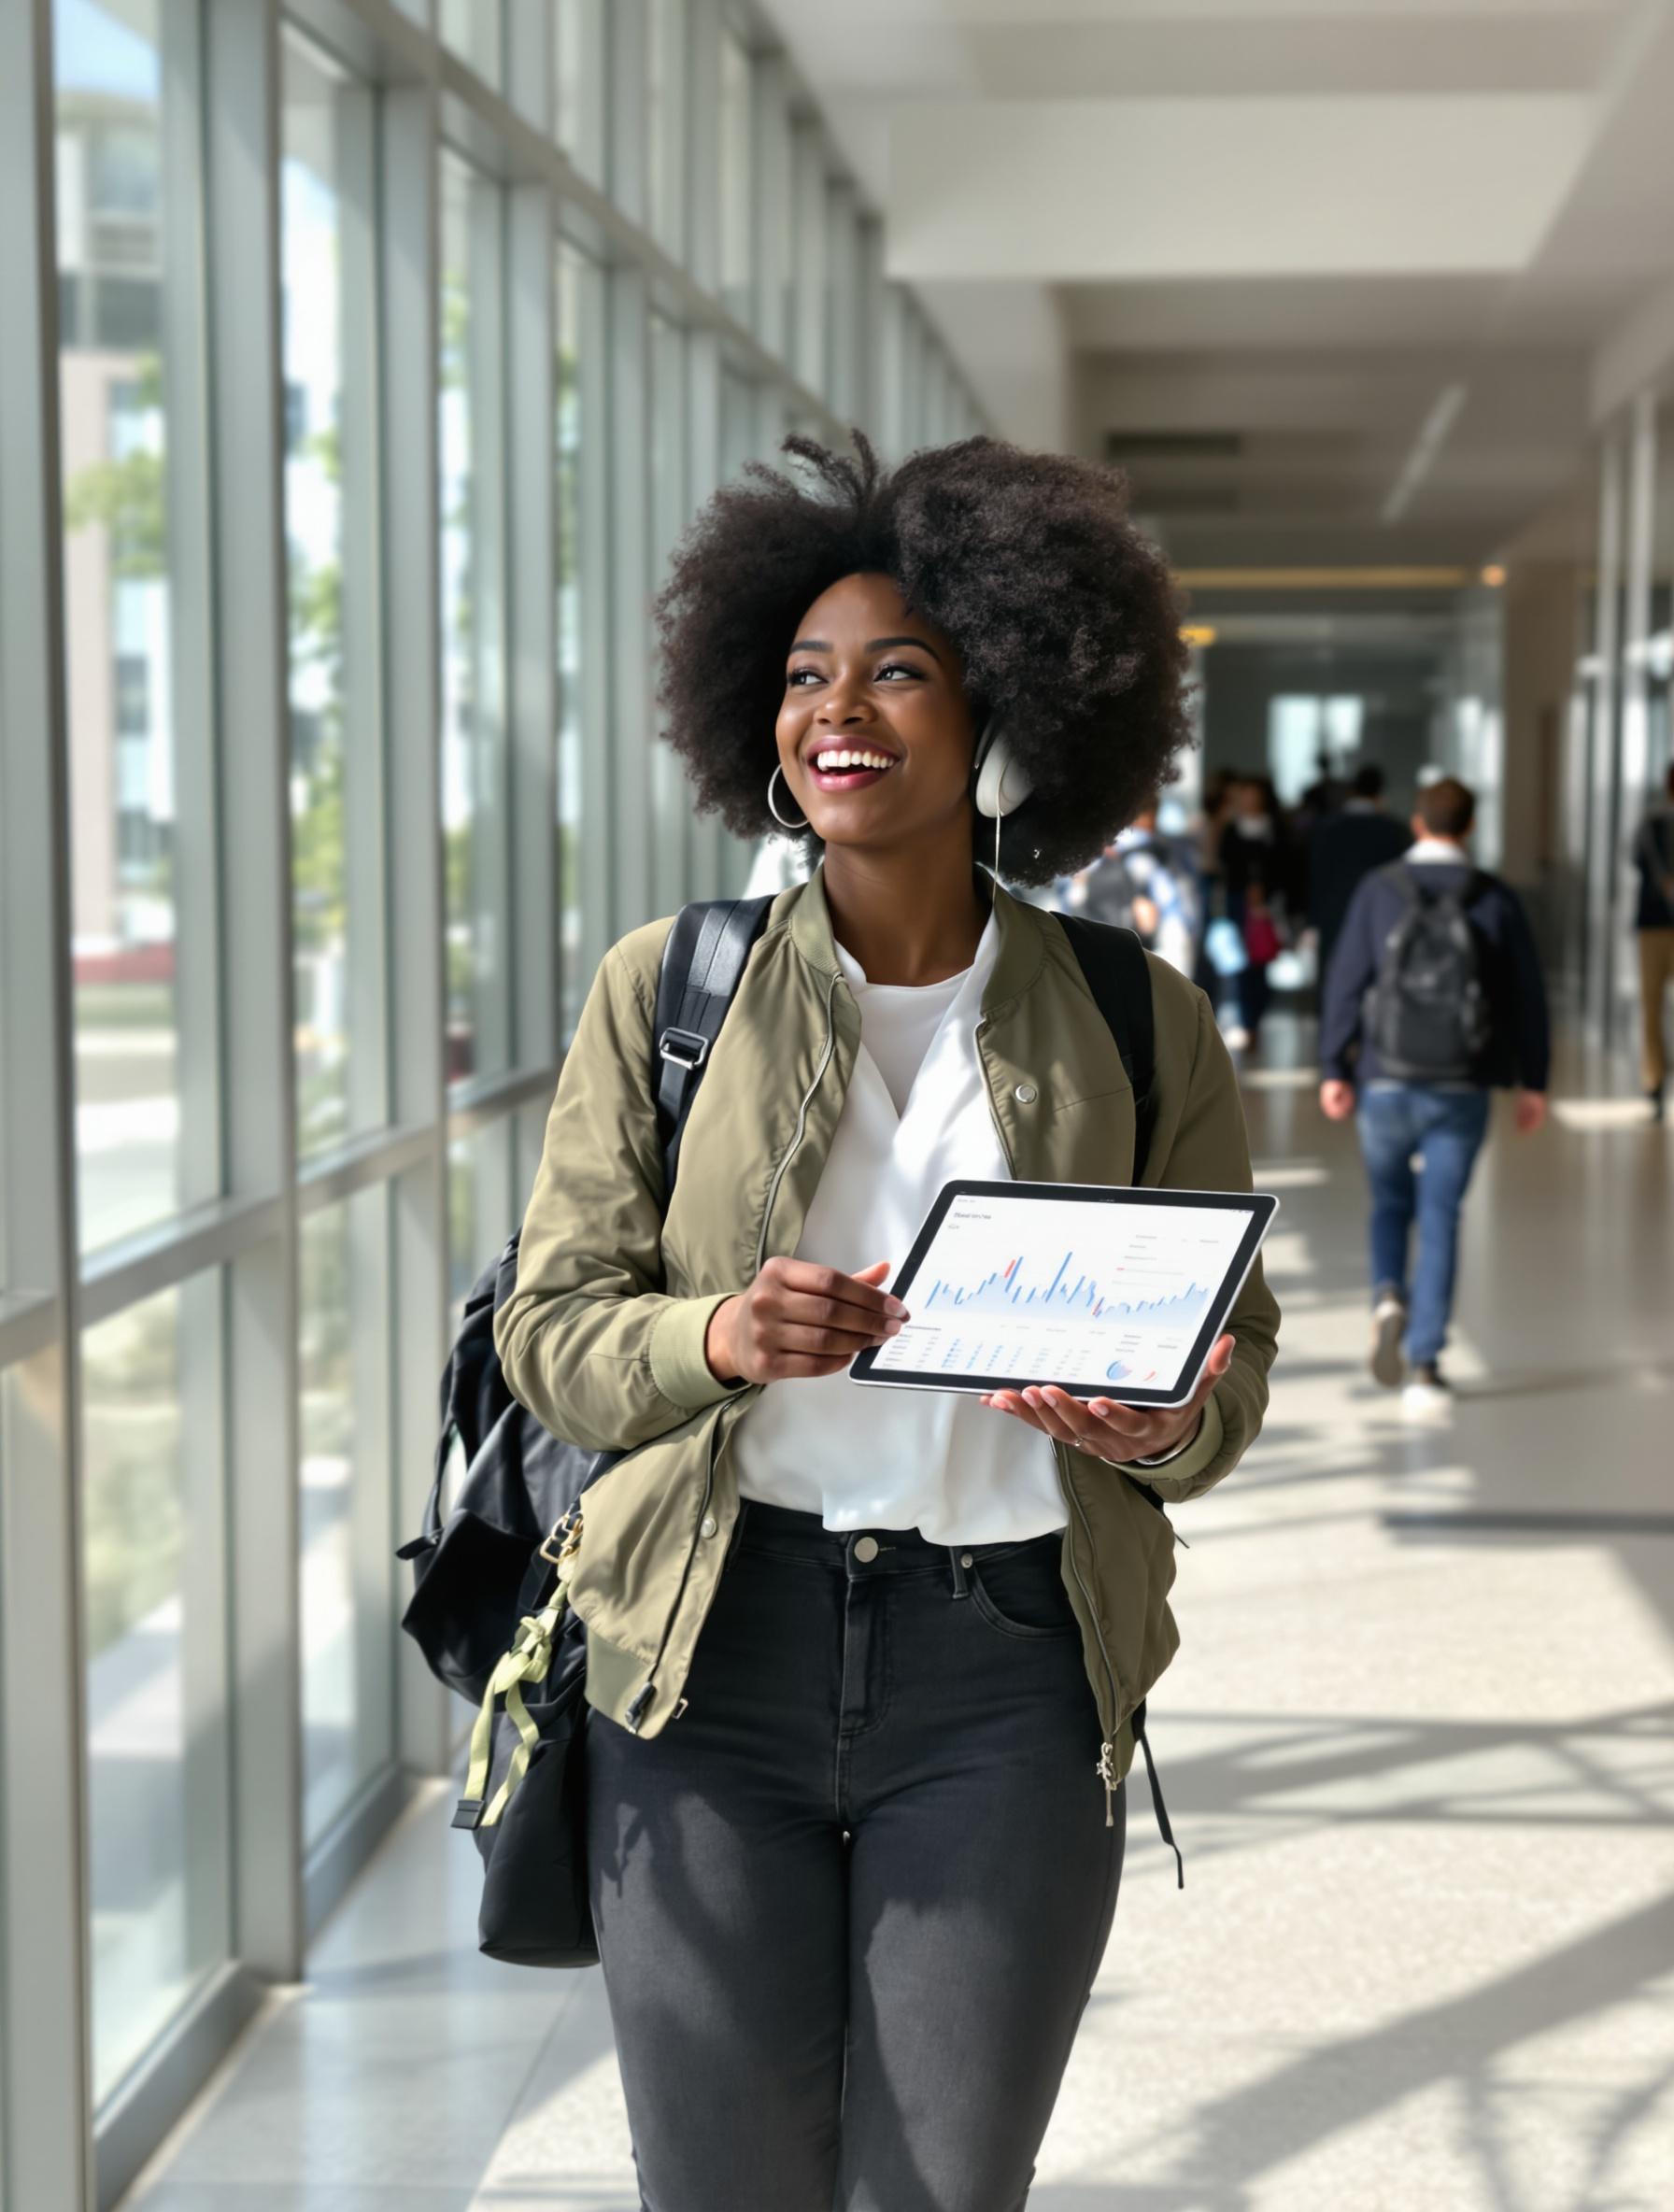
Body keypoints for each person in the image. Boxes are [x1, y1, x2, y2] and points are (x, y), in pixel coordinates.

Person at [495, 432, 1281, 2210]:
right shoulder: (669, 987)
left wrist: (1160, 1421)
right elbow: (550, 1331)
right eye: (803, 675)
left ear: (1002, 702)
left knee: (942, 2187)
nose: (836, 710)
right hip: (708, 1657)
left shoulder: (1133, 1013)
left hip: (1006, 1665)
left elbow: (1229, 1358)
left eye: (897, 670)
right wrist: (715, 1340)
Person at [1319, 774, 1548, 1406]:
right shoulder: (1494, 896)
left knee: (1390, 1202)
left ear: (1418, 823)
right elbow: (1526, 996)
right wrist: (1534, 1079)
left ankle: (1387, 1294)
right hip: (1462, 1083)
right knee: (1442, 1216)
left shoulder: (1380, 890)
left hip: (1385, 1078)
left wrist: (1334, 1066)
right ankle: (1425, 1365)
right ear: (1469, 827)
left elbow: (1346, 980)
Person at [1307, 762, 1412, 985]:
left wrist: (1311, 921)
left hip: (1335, 915)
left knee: (1335, 980)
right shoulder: (1395, 831)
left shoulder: (1327, 828)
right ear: (1380, 791)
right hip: (1382, 917)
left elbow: (1314, 877)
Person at [1078, 801, 1202, 976]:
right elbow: (1172, 908)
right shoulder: (1149, 851)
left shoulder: (1091, 854)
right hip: (1141, 950)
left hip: (1093, 947)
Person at [1218, 773, 1292, 1049]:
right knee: (1241, 962)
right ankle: (1246, 1021)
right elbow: (1225, 864)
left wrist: (1266, 890)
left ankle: (1254, 1019)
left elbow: (1284, 866)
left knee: (1261, 961)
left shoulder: (1275, 830)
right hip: (1238, 903)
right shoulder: (1232, 829)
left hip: (1266, 906)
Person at [1631, 761, 1674, 1120]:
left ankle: (1655, 1083)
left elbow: (1636, 862)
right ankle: (1655, 1081)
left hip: (1654, 926)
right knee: (1651, 1008)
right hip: (1655, 924)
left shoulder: (1650, 825)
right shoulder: (1651, 824)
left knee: (1652, 1007)